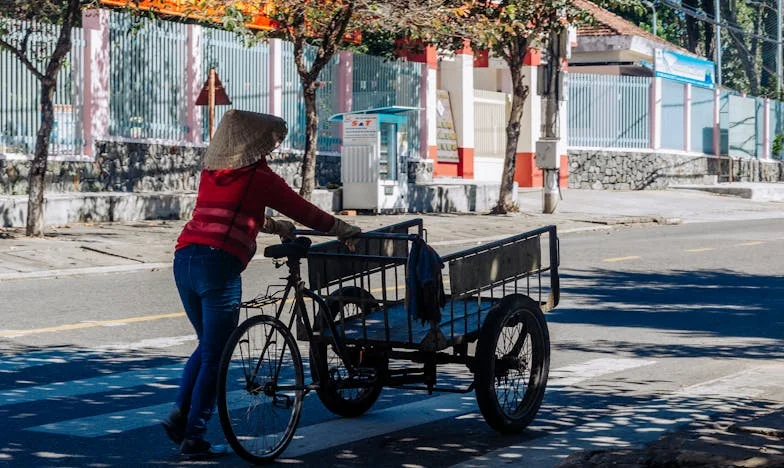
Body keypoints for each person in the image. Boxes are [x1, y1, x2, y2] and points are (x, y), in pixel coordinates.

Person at [161, 110, 360, 460]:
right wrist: (343, 229)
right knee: (217, 354)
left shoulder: (212, 173)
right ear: (256, 149)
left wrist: (273, 226)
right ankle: (193, 436)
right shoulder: (260, 177)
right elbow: (306, 212)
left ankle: (180, 413)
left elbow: (230, 209)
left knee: (208, 345)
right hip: (218, 263)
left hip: (184, 259)